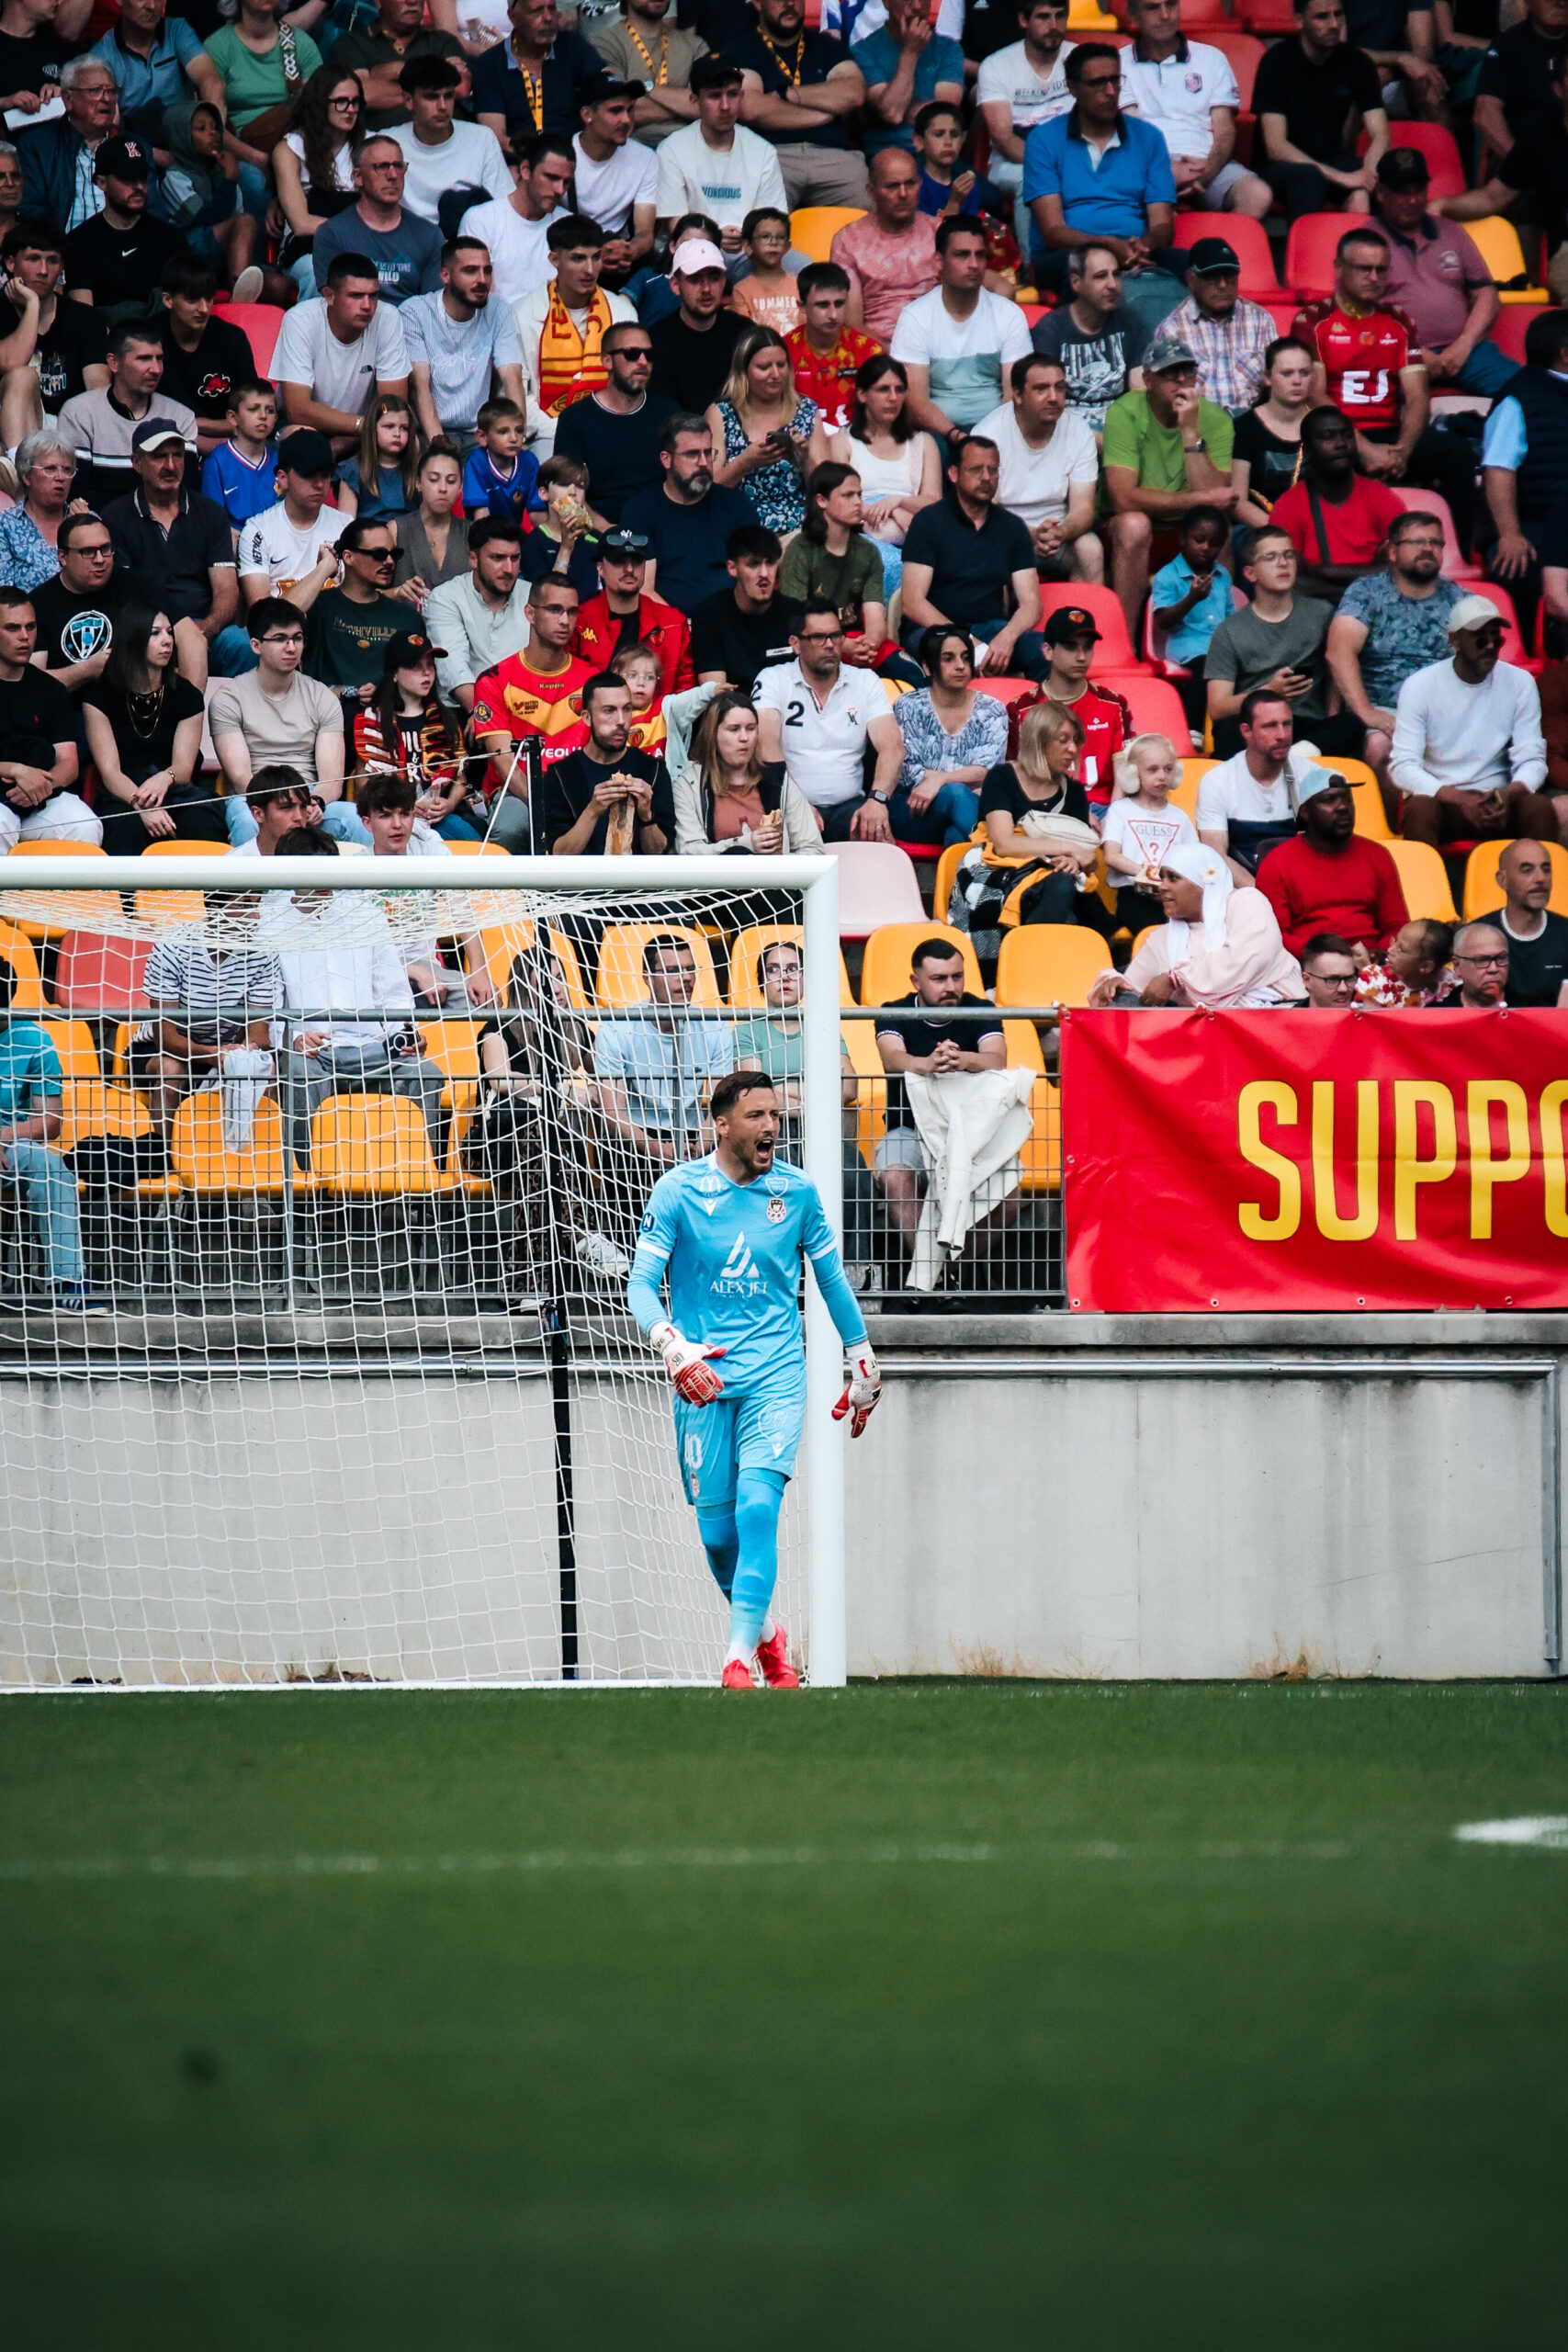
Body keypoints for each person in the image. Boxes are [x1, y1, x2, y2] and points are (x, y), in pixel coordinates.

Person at [626, 1062, 877, 1689]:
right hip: (703, 1380)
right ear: (721, 1124)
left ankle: (736, 1657)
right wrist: (670, 1345)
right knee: (717, 1539)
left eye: (776, 1115)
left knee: (758, 1507)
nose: (772, 1126)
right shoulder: (678, 1192)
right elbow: (640, 1285)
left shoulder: (797, 1193)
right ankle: (767, 1636)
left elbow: (830, 1280)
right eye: (757, 1115)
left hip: (775, 1375)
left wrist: (862, 1356)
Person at [265, 827, 446, 1164]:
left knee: (427, 1072)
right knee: (299, 1075)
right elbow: (268, 1005)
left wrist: (404, 1035)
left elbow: (393, 992)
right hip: (313, 1053)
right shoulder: (269, 924)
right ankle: (305, 1181)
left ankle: (426, 1179)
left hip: (373, 1049)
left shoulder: (366, 916)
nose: (324, 881)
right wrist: (292, 1039)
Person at [1292, 223, 1473, 550]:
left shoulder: (1399, 320)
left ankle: (1455, 553)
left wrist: (1403, 450)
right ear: (1339, 269)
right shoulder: (1313, 321)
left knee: (1457, 453)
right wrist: (1363, 448)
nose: (1374, 277)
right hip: (1338, 436)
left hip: (1390, 435)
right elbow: (1315, 395)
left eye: (1381, 269)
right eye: (1364, 268)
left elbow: (1418, 396)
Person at [1022, 40, 1181, 325]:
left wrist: (1145, 245)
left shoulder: (1149, 138)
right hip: (1066, 254)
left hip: (1133, 249)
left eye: (1115, 80)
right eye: (1098, 83)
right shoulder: (1043, 140)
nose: (1110, 92)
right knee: (1084, 269)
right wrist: (1107, 246)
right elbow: (1053, 232)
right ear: (1072, 88)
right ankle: (1088, 344)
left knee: (1192, 264)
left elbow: (1162, 225)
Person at [1392, 596, 1557, 847]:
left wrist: (1509, 794)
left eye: (1496, 639)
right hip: (1444, 798)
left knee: (1539, 809)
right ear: (1454, 640)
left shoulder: (1520, 682)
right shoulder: (1420, 685)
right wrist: (1456, 797)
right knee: (1420, 811)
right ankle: (1422, 875)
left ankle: (1539, 872)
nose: (1490, 645)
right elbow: (1403, 765)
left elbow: (1532, 759)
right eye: (1480, 638)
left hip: (1497, 800)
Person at [1100, 333, 1235, 638]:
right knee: (1134, 525)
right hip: (1132, 530)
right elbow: (1123, 499)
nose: (1182, 380)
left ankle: (1220, 641)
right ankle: (1124, 641)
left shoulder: (1216, 419)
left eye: (1188, 371)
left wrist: (1190, 431)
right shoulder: (1124, 412)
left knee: (1219, 527)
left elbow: (1215, 503)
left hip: (1187, 530)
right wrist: (1202, 500)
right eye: (1170, 373)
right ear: (1148, 380)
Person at [873, 936, 1006, 1244]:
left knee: (1009, 1198)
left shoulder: (981, 1009)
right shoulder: (894, 1011)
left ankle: (953, 1268)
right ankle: (928, 1267)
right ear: (916, 981)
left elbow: (997, 1060)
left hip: (971, 1133)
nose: (950, 987)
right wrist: (928, 1064)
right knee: (896, 1179)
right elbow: (892, 1059)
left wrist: (963, 1059)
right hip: (908, 1129)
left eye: (957, 977)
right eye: (939, 979)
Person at [1202, 522, 1365, 764]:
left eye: (1288, 555)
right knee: (1227, 731)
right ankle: (1282, 764)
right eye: (1271, 557)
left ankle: (1291, 761)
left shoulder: (1322, 614)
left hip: (1305, 726)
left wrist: (1331, 714)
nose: (1283, 563)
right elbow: (1218, 708)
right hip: (1258, 724)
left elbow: (1337, 668)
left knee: (1351, 724)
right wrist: (1269, 690)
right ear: (1250, 573)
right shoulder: (1228, 630)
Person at [102, 418, 243, 691]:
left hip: (204, 626)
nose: (170, 465)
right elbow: (123, 595)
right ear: (137, 463)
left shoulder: (210, 513)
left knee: (241, 643)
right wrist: (166, 633)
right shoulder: (116, 517)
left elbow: (227, 589)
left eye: (177, 455)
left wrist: (204, 629)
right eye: (159, 457)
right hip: (145, 631)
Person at [130, 891, 282, 1141]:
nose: (255, 916)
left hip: (226, 1047)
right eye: (245, 905)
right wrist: (213, 1055)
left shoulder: (263, 952)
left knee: (265, 1068)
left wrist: (240, 1053)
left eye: (257, 906)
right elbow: (165, 1037)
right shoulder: (173, 946)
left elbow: (258, 1034)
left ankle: (265, 1156)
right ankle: (165, 1157)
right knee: (171, 1069)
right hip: (160, 1049)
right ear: (213, 906)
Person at [1326, 507, 1463, 782]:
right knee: (1381, 747)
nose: (1428, 549)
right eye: (1417, 542)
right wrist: (1368, 713)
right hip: (1382, 709)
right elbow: (1339, 653)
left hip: (1443, 712)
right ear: (1392, 551)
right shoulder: (1366, 593)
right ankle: (1391, 814)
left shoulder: (1459, 599)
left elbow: (1478, 661)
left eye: (1435, 542)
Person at [1370, 145, 1513, 401]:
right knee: (1379, 404)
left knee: (1527, 390)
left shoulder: (1450, 231)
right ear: (1381, 193)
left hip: (1465, 352)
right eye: (1403, 192)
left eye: (1419, 190)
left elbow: (1486, 293)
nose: (1413, 200)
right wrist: (1412, 352)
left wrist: (1464, 344)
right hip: (1394, 355)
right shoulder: (1365, 241)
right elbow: (1358, 312)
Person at [754, 595, 904, 841]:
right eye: (818, 637)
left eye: (835, 636)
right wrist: (795, 804)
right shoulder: (773, 679)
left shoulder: (865, 681)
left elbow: (892, 748)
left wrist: (877, 800)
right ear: (795, 643)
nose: (830, 644)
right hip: (788, 802)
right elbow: (765, 748)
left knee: (878, 834)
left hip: (850, 807)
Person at [1089, 842, 1305, 1007]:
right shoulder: (1163, 937)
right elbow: (1139, 988)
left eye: (1173, 878)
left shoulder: (1246, 901)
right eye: (1162, 878)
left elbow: (1248, 958)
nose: (1162, 886)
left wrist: (1176, 979)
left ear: (1202, 882)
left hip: (1276, 1017)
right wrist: (1115, 985)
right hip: (1208, 1035)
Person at [900, 434, 1044, 679]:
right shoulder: (928, 522)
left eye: (993, 470)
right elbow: (913, 603)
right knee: (947, 655)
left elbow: (1032, 604)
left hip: (991, 629)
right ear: (953, 474)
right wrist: (965, 642)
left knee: (1044, 650)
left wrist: (1007, 637)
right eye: (976, 469)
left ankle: (1039, 706)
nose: (986, 477)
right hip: (934, 629)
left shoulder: (1012, 527)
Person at [952, 698, 1097, 939]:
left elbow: (1083, 854)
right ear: (1038, 741)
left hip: (1050, 880)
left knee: (1064, 884)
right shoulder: (1002, 777)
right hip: (1001, 875)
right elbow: (1004, 844)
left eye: (1075, 740)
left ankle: (1027, 952)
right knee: (1065, 900)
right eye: (1063, 740)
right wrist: (1067, 848)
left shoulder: (1074, 791)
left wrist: (1073, 861)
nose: (1073, 749)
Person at [0, 956, 98, 1312]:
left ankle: (69, 1284)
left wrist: (3, 1136)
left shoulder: (33, 1038)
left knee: (52, 1168)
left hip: (10, 1146)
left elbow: (50, 1123)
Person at [470, 571, 595, 845]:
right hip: (518, 792)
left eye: (572, 612)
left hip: (581, 791)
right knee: (510, 828)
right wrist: (547, 806)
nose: (565, 620)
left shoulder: (592, 680)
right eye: (554, 610)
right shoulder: (494, 680)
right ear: (530, 613)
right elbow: (505, 765)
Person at [209, 598, 352, 838]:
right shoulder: (228, 699)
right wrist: (284, 807)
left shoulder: (322, 697)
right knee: (247, 821)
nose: (291, 647)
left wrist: (315, 802)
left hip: (310, 796)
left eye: (297, 638)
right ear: (256, 645)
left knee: (355, 820)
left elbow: (332, 780)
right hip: (256, 798)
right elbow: (242, 778)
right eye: (280, 639)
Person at [80, 602, 214, 857]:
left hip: (172, 787)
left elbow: (183, 767)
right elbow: (110, 771)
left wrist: (164, 778)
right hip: (123, 791)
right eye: (155, 633)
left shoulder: (186, 695)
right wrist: (142, 806)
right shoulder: (99, 697)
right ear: (132, 638)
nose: (167, 641)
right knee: (125, 827)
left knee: (200, 819)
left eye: (169, 632)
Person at [1118, 0, 1270, 221]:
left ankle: (1218, 243)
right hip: (1146, 166)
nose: (1165, 15)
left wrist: (1205, 172)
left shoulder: (1212, 58)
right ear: (1133, 15)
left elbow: (1225, 131)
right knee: (1149, 198)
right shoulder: (1117, 62)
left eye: (1171, 5)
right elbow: (1129, 134)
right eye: (1153, 7)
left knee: (1257, 194)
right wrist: (1167, 170)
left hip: (1205, 163)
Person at [890, 216, 1032, 446]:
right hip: (938, 434)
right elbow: (915, 402)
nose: (974, 264)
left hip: (998, 432)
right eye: (962, 255)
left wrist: (988, 439)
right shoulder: (915, 317)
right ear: (939, 261)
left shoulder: (1009, 314)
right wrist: (956, 436)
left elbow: (1014, 394)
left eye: (980, 255)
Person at [512, 215, 636, 463]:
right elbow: (517, 395)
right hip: (547, 433)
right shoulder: (521, 313)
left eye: (596, 257)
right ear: (554, 260)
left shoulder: (622, 311)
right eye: (578, 258)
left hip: (612, 428)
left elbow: (630, 385)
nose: (589, 269)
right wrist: (567, 429)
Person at [1253, 0, 1389, 222]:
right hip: (1280, 165)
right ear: (1299, 21)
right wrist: (1343, 178)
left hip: (1334, 159)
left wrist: (1368, 175)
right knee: (1309, 178)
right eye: (1322, 17)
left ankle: (1362, 243)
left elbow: (1380, 134)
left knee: (1384, 177)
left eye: (1338, 14)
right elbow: (1276, 147)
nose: (1334, 24)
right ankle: (1303, 245)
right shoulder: (1275, 61)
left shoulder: (1358, 62)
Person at [1255, 764, 1408, 956]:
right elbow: (1275, 936)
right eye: (1329, 800)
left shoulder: (1377, 855)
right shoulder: (1277, 862)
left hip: (1372, 962)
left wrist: (1380, 953)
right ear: (1305, 812)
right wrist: (1330, 957)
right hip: (1309, 964)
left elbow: (1396, 926)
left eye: (1347, 799)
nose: (1343, 807)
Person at [729, 0, 868, 210]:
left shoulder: (826, 45)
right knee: (757, 222)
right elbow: (751, 109)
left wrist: (786, 94)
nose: (790, 3)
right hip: (772, 155)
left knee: (869, 218)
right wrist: (825, 113)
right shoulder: (743, 47)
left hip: (834, 156)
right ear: (757, 3)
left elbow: (854, 94)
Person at [976, 351, 1101, 583]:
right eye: (1041, 388)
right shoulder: (988, 434)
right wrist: (1029, 535)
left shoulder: (1078, 431)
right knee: (986, 549)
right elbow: (983, 510)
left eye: (1060, 388)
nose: (1053, 397)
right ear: (1017, 394)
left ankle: (1083, 609)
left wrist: (1060, 533)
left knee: (1091, 550)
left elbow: (1083, 509)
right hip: (1004, 534)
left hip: (1057, 538)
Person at [824, 354, 940, 604]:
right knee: (886, 563)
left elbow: (934, 502)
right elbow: (839, 501)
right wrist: (889, 510)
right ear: (862, 395)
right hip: (860, 531)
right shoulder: (843, 442)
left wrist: (897, 502)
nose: (893, 397)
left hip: (914, 532)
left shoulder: (923, 443)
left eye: (899, 389)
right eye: (883, 389)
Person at [273, 251, 412, 458]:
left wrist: (339, 445)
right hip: (312, 428)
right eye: (356, 296)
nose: (367, 305)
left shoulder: (388, 317)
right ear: (329, 295)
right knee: (298, 438)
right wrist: (365, 425)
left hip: (365, 434)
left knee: (406, 442)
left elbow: (393, 407)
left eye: (373, 295)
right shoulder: (300, 319)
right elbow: (297, 410)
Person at [1480, 307, 1568, 632]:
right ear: (1565, 355)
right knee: (1516, 567)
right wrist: (1510, 534)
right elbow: (1499, 468)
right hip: (1535, 526)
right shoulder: (1518, 398)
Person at [1269, 402, 1406, 607]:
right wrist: (1370, 574)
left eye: (1347, 435)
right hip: (1316, 612)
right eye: (1328, 437)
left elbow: (1402, 568)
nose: (1341, 443)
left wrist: (1325, 572)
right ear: (1307, 450)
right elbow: (1289, 580)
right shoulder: (1288, 506)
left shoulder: (1380, 496)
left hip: (1377, 608)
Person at [353, 630, 484, 843]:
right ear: (394, 674)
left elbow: (461, 780)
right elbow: (363, 782)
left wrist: (449, 804)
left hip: (437, 817)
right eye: (415, 666)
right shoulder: (372, 720)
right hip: (389, 816)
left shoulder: (445, 718)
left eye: (430, 665)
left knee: (472, 840)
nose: (426, 673)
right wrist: (403, 809)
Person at [203, 4, 325, 232]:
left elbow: (319, 110)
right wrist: (258, 158)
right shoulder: (218, 45)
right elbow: (212, 126)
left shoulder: (299, 43)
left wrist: (291, 156)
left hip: (296, 146)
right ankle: (258, 253)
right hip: (241, 151)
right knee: (255, 183)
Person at [620, 410, 754, 614]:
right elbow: (644, 590)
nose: (703, 463)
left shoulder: (737, 505)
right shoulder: (640, 510)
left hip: (731, 621)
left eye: (708, 453)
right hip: (666, 624)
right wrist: (682, 627)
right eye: (692, 454)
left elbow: (752, 579)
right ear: (666, 459)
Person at [400, 232, 525, 450]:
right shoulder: (415, 312)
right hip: (426, 433)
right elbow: (419, 386)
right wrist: (439, 446)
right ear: (445, 275)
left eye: (487, 271)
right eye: (470, 271)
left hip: (479, 434)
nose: (482, 280)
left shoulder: (499, 310)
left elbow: (512, 377)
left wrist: (516, 439)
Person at [56, 317, 196, 509]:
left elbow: (187, 493)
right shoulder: (79, 413)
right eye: (144, 359)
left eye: (159, 358)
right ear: (114, 363)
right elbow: (77, 493)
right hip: (98, 522)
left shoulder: (181, 417)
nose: (156, 369)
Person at [0, 585, 99, 850]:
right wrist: (15, 770)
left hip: (41, 797)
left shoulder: (51, 689)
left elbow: (69, 762)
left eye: (30, 627)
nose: (25, 637)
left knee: (85, 825)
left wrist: (40, 786)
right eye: (12, 628)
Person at [706, 322, 827, 538]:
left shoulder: (807, 410)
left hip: (799, 533)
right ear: (743, 371)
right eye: (764, 367)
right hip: (740, 533)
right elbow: (708, 490)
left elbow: (827, 492)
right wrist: (745, 463)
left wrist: (805, 459)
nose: (776, 374)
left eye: (781, 365)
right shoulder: (720, 414)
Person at [891, 625, 1009, 846]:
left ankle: (975, 861)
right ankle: (1004, 848)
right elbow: (908, 770)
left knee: (955, 836)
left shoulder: (991, 709)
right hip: (913, 809)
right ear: (927, 667)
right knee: (956, 793)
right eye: (948, 658)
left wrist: (941, 779)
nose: (961, 666)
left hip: (971, 808)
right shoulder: (909, 706)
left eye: (966, 657)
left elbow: (988, 769)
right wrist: (958, 782)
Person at [653, 52, 784, 250]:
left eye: (732, 94)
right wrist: (714, 238)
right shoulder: (671, 149)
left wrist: (748, 239)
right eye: (715, 96)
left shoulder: (764, 151)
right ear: (695, 101)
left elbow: (773, 222)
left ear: (741, 96)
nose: (725, 106)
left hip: (749, 251)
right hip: (691, 250)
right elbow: (676, 226)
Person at [552, 319, 675, 531]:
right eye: (631, 354)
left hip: (662, 529)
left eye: (649, 355)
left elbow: (683, 481)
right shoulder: (575, 419)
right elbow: (564, 494)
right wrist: (607, 532)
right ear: (606, 360)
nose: (643, 361)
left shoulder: (670, 413)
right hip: (594, 533)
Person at [537, 667, 674, 853]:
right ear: (587, 717)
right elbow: (558, 854)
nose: (621, 720)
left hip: (636, 872)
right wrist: (592, 811)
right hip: (583, 872)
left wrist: (646, 816)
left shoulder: (652, 769)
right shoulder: (561, 775)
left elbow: (661, 853)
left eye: (627, 709)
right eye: (609, 710)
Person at [976, 0, 1077, 252]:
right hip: (1012, 164)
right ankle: (1031, 266)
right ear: (1024, 20)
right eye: (1043, 17)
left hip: (1073, 158)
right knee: (1030, 179)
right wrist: (1052, 167)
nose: (1053, 25)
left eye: (1060, 16)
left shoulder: (1079, 58)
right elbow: (1003, 139)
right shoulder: (996, 66)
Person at [0, 217, 107, 452]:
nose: (43, 271)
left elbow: (98, 391)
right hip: (9, 426)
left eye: (52, 261)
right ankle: (21, 466)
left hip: (68, 427)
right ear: (10, 263)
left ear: (61, 268)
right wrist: (32, 305)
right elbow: (9, 364)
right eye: (33, 259)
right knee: (22, 377)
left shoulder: (85, 318)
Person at [670, 685, 821, 852]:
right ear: (713, 734)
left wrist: (780, 862)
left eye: (751, 728)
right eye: (734, 729)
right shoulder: (688, 785)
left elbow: (812, 848)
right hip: (719, 870)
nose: (744, 738)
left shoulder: (778, 780)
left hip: (774, 869)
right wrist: (744, 844)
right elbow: (688, 852)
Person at [1028, 241, 1148, 441]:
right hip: (1066, 440)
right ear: (1076, 283)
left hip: (1121, 432)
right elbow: (1045, 407)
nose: (1112, 284)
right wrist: (1108, 444)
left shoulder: (1130, 322)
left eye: (1116, 275)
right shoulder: (1051, 329)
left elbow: (1140, 392)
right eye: (1101, 276)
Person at [309, 131, 445, 309]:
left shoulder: (429, 235)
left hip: (412, 324)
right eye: (382, 167)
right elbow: (336, 305)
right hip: (355, 323)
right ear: (358, 177)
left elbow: (431, 309)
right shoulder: (332, 234)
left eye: (398, 166)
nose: (393, 175)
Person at [778, 463, 892, 672]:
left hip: (857, 640)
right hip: (815, 640)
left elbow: (875, 615)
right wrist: (843, 645)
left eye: (859, 495)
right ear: (821, 500)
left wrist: (870, 644)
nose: (858, 502)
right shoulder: (800, 550)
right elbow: (795, 615)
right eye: (848, 495)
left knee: (907, 670)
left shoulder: (868, 552)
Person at [60, 132, 183, 327]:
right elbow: (84, 321)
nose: (139, 186)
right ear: (102, 182)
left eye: (142, 177)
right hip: (108, 340)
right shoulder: (80, 242)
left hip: (161, 340)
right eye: (127, 178)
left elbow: (184, 308)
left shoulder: (171, 238)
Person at [1196, 687, 1320, 873]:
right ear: (1246, 731)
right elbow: (1216, 858)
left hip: (1300, 879)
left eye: (1287, 724)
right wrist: (1259, 888)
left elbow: (1326, 849)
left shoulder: (1312, 775)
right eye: (1270, 726)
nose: (1282, 735)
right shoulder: (1217, 780)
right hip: (1243, 885)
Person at [829, 142, 940, 346]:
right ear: (871, 191)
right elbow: (852, 325)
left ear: (920, 184)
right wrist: (895, 355)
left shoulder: (939, 233)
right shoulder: (848, 240)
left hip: (937, 347)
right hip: (876, 352)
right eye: (892, 186)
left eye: (910, 184)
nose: (903, 194)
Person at [1152, 237, 1274, 420]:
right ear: (1191, 280)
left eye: (1229, 275)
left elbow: (1276, 384)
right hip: (1199, 423)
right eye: (1212, 276)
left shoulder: (1260, 320)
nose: (1223, 284)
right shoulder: (1172, 330)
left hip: (1252, 422)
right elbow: (1168, 400)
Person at [269, 65, 363, 299]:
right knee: (319, 272)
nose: (350, 109)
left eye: (355, 102)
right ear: (319, 104)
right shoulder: (291, 148)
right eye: (341, 102)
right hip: (308, 247)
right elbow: (301, 223)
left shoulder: (370, 145)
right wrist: (360, 233)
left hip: (363, 246)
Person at [1032, 603, 1134, 817]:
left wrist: (1114, 821)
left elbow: (1125, 774)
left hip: (1107, 810)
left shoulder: (1114, 704)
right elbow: (1021, 782)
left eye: (1087, 647)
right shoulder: (1023, 709)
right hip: (1048, 812)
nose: (1081, 657)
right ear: (1048, 651)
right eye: (1071, 647)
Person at [300, 514, 412, 707]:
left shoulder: (407, 617)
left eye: (395, 554)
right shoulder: (319, 607)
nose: (390, 561)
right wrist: (324, 569)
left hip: (387, 717)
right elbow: (276, 618)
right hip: (327, 714)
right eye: (379, 554)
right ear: (348, 557)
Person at [154, 254, 257, 461]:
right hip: (164, 446)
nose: (203, 309)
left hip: (232, 443)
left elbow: (252, 417)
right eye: (192, 299)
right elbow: (138, 416)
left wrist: (193, 424)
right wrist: (198, 442)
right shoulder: (148, 339)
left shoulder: (232, 338)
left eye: (208, 298)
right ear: (168, 300)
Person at [390, 53, 513, 226]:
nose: (442, 106)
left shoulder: (481, 138)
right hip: (408, 237)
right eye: (431, 97)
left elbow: (503, 207)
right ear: (408, 100)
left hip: (468, 236)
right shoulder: (388, 143)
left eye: (448, 96)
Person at [424, 513, 531, 712]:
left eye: (515, 558)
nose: (509, 569)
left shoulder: (531, 596)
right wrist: (485, 715)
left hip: (525, 710)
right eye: (498, 558)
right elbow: (453, 669)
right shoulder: (446, 597)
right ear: (473, 559)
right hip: (465, 711)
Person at [1100, 728, 1201, 934]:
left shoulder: (1179, 817)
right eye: (1152, 770)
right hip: (1134, 893)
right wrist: (1149, 874)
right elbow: (1111, 855)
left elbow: (1194, 860)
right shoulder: (1120, 810)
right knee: (1155, 926)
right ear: (1133, 773)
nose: (1162, 776)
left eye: (1168, 769)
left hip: (1172, 894)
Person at [574, 525, 694, 696]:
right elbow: (567, 683)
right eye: (619, 561)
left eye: (637, 561)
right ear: (600, 568)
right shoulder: (579, 620)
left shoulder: (674, 622)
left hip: (660, 713)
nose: (629, 569)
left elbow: (686, 691)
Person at [457, 128, 574, 306]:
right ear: (525, 170)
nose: (560, 189)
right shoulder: (482, 220)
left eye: (566, 182)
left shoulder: (570, 226)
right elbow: (470, 293)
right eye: (551, 177)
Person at [237, 425, 344, 614]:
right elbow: (263, 617)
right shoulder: (257, 532)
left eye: (325, 475)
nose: (320, 484)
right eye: (309, 475)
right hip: (280, 631)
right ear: (282, 478)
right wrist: (324, 569)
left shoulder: (346, 526)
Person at [471, 0, 601, 153]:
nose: (548, 18)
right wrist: (541, 160)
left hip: (575, 156)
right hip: (519, 159)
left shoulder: (573, 46)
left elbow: (609, 87)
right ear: (513, 16)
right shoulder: (489, 65)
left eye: (552, 8)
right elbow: (496, 139)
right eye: (537, 11)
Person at [1150, 503, 1233, 733]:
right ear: (1182, 539)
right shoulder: (1168, 576)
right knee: (1209, 665)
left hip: (1221, 648)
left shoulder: (1223, 575)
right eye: (1199, 540)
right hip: (1187, 648)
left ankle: (1229, 732)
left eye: (1215, 543)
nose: (1206, 548)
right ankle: (1193, 730)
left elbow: (1230, 617)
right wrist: (1192, 598)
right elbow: (1163, 620)